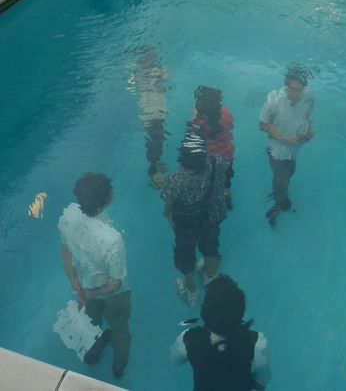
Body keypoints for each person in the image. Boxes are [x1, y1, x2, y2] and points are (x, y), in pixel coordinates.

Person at [58, 173, 131, 379]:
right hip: (111, 295)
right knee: (120, 330)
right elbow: (115, 284)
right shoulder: (112, 240)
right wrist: (92, 293)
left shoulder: (68, 216)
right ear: (107, 198)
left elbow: (66, 255)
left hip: (83, 284)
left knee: (92, 323)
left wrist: (78, 288)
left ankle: (92, 353)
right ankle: (118, 366)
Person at [161, 130, 228, 307]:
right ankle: (209, 275)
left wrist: (165, 213)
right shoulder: (217, 162)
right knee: (211, 244)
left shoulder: (176, 179)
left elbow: (169, 202)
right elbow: (221, 185)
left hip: (188, 225)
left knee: (185, 254)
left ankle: (191, 290)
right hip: (213, 215)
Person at [170, 275, 272, 391]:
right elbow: (262, 381)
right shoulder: (257, 343)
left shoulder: (186, 339)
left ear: (204, 311)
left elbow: (174, 361)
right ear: (241, 312)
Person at [259, 67, 314, 228]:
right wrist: (281, 137)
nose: (296, 94)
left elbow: (307, 117)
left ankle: (277, 194)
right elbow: (263, 125)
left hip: (294, 147)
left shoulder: (308, 97)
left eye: (299, 90)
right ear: (286, 86)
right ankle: (279, 205)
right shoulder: (273, 102)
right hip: (276, 148)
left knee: (288, 175)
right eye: (293, 89)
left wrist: (308, 131)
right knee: (282, 180)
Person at [127, 45, 171, 188]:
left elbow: (132, 84)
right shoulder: (158, 72)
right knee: (157, 138)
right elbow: (167, 77)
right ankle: (153, 168)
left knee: (156, 138)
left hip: (149, 110)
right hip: (153, 111)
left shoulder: (138, 74)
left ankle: (155, 164)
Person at [191, 86, 235, 208]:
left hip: (209, 157)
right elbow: (231, 126)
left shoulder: (199, 122)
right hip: (227, 155)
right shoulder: (227, 115)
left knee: (208, 180)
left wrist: (195, 114)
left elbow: (193, 132)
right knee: (226, 181)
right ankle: (226, 197)